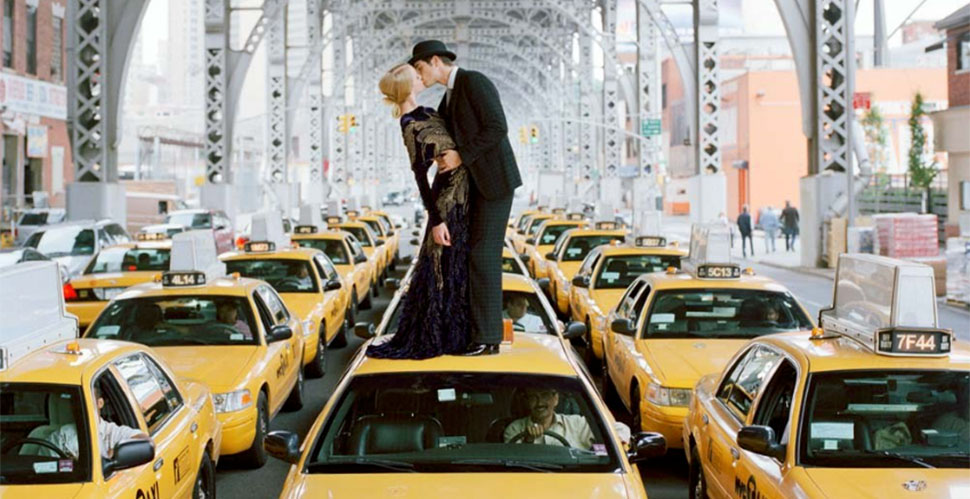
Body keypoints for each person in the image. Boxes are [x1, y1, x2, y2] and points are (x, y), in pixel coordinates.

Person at [411, 40, 523, 356]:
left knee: (482, 255)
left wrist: (462, 156)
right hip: (476, 186)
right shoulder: (449, 97)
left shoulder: (474, 81)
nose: (420, 76)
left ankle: (488, 339)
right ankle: (473, 332)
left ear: (435, 61)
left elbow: (498, 127)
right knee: (468, 254)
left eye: (420, 69)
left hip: (495, 184)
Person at [367, 61, 472, 359]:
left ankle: (456, 334)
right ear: (406, 86)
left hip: (462, 189)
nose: (420, 77)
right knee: (443, 267)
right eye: (415, 76)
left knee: (455, 265)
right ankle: (442, 336)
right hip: (447, 200)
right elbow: (419, 175)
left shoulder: (427, 111)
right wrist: (436, 220)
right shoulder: (409, 123)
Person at [49, 383, 148, 460]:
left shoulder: (113, 433)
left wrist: (116, 453)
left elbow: (146, 441)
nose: (82, 407)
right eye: (77, 402)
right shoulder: (61, 436)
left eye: (87, 401)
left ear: (100, 403)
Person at [503, 388, 595, 449]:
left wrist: (599, 453)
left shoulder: (578, 424)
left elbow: (605, 444)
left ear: (556, 399)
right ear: (527, 402)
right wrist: (528, 441)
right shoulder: (514, 429)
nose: (539, 403)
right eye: (533, 397)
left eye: (545, 395)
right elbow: (514, 466)